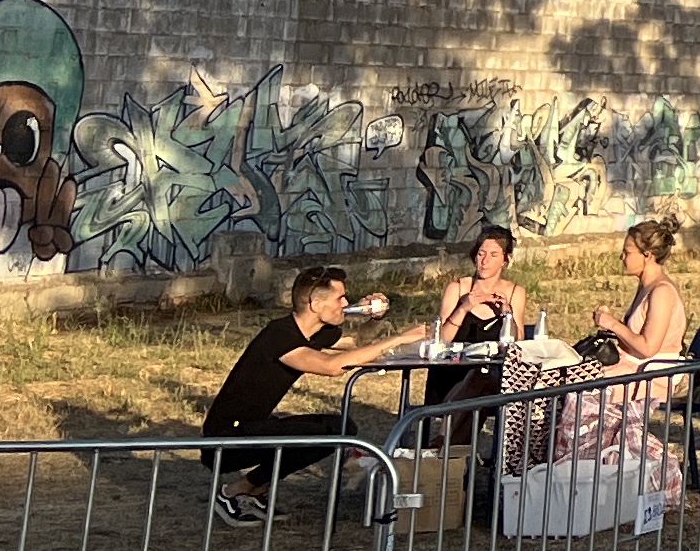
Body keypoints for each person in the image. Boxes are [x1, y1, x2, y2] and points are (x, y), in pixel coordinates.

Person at [202, 265, 424, 523]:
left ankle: (254, 489)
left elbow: (358, 344)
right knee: (321, 433)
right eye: (340, 298)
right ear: (315, 303)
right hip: (226, 439)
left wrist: (374, 318)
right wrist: (398, 339)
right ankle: (232, 493)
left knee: (338, 427)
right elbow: (332, 367)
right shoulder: (280, 336)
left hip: (255, 426)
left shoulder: (312, 332)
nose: (345, 303)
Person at [428, 222, 532, 406]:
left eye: (493, 255)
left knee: (482, 380)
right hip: (453, 371)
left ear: (505, 260)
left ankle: (447, 435)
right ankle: (448, 433)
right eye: (481, 253)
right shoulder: (457, 288)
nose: (485, 261)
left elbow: (519, 343)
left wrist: (507, 315)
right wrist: (464, 308)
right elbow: (440, 339)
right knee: (472, 384)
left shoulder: (515, 292)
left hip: (494, 374)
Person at [582, 217, 691, 367]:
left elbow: (648, 348)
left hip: (652, 377)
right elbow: (634, 339)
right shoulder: (646, 286)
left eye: (627, 252)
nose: (622, 257)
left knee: (567, 387)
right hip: (634, 370)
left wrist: (614, 325)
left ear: (647, 256)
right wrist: (608, 322)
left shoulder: (662, 292)